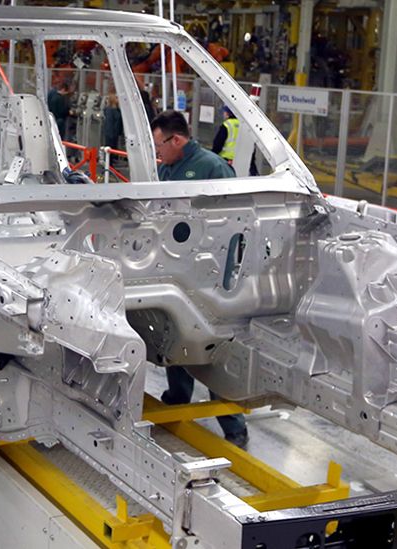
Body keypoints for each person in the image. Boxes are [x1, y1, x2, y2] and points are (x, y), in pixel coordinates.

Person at [139, 110, 249, 449]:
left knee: (211, 348)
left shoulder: (212, 168)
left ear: (177, 140)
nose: (157, 154)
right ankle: (177, 398)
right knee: (174, 336)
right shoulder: (166, 167)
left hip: (209, 275)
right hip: (173, 269)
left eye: (160, 145)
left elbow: (235, 219)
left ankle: (234, 426)